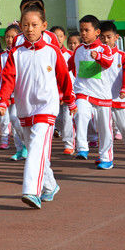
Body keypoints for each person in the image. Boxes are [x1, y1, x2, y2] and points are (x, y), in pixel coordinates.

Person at [0, 4, 76, 209]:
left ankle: (32, 190)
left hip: (47, 108)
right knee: (35, 150)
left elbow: (63, 77)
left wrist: (70, 99)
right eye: (25, 25)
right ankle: (50, 186)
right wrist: (3, 101)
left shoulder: (52, 51)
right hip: (25, 109)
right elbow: (8, 79)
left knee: (35, 150)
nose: (30, 29)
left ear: (44, 26)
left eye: (34, 25)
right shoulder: (16, 53)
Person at [69, 14, 115, 168]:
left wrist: (99, 57)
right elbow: (67, 66)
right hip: (83, 92)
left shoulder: (105, 48)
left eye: (86, 30)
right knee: (80, 114)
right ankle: (82, 148)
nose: (83, 33)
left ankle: (106, 158)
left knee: (104, 129)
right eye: (81, 30)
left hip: (102, 95)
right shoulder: (79, 49)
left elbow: (108, 62)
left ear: (97, 32)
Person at [100, 21, 125, 161]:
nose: (105, 40)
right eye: (102, 37)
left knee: (123, 125)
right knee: (105, 126)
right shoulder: (96, 55)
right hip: (102, 97)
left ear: (117, 37)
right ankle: (106, 155)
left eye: (109, 37)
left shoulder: (122, 56)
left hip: (118, 95)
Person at [51, 25, 76, 155]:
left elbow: (75, 75)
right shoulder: (48, 53)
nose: (58, 39)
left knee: (67, 119)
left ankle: (69, 144)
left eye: (60, 36)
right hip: (53, 93)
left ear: (64, 38)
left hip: (68, 92)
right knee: (57, 120)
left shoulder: (70, 55)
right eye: (55, 36)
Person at [0, 25, 23, 153]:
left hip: (20, 94)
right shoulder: (2, 56)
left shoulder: (21, 53)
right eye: (7, 37)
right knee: (12, 121)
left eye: (12, 37)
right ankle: (20, 149)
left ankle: (25, 145)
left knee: (15, 119)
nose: (9, 39)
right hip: (6, 94)